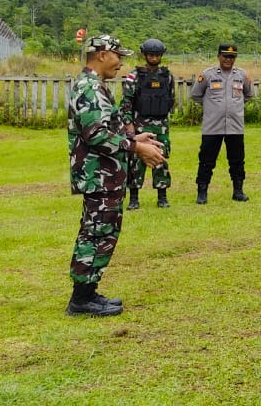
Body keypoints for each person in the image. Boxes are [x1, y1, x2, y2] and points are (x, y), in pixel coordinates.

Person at [66, 34, 165, 316]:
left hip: (106, 175)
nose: (120, 63)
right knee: (95, 233)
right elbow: (96, 135)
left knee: (103, 232)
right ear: (101, 55)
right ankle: (81, 299)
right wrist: (136, 148)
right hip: (98, 175)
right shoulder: (89, 88)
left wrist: (133, 136)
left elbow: (106, 128)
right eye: (117, 56)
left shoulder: (96, 86)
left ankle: (88, 292)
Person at [189, 43, 254, 205]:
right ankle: (202, 192)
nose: (228, 60)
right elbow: (196, 95)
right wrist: (212, 106)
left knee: (237, 160)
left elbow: (248, 95)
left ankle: (238, 191)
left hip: (235, 127)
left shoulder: (242, 75)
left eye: (232, 57)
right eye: (225, 56)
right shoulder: (207, 75)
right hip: (212, 127)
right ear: (219, 56)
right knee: (206, 160)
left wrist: (233, 107)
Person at [119, 38, 175, 209]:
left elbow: (171, 99)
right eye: (151, 54)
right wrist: (129, 128)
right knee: (136, 161)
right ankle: (134, 198)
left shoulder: (167, 76)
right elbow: (126, 104)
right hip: (139, 126)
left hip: (161, 127)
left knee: (161, 159)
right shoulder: (134, 76)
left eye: (157, 55)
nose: (154, 58)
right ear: (144, 54)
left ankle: (162, 197)